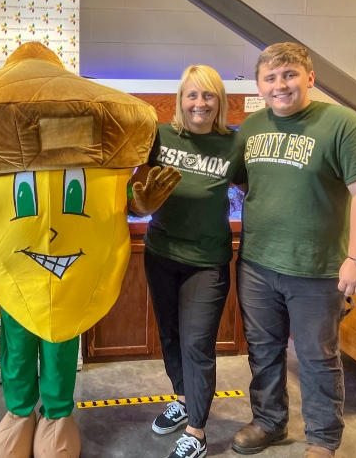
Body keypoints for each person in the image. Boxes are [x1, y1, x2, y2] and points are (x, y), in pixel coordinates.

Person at [231, 43, 356, 458]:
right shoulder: (251, 127)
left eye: (289, 75)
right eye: (271, 78)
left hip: (317, 269)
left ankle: (322, 439)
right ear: (260, 85)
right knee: (263, 351)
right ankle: (269, 422)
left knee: (318, 358)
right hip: (257, 263)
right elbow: (244, 182)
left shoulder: (341, 123)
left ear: (309, 78)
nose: (280, 85)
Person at [130, 65, 246, 458]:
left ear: (220, 102)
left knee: (197, 344)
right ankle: (183, 399)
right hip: (161, 253)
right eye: (192, 95)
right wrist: (139, 201)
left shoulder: (234, 144)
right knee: (170, 336)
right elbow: (136, 186)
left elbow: (253, 191)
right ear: (181, 100)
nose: (200, 103)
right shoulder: (160, 136)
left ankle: (196, 433)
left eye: (208, 95)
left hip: (207, 261)